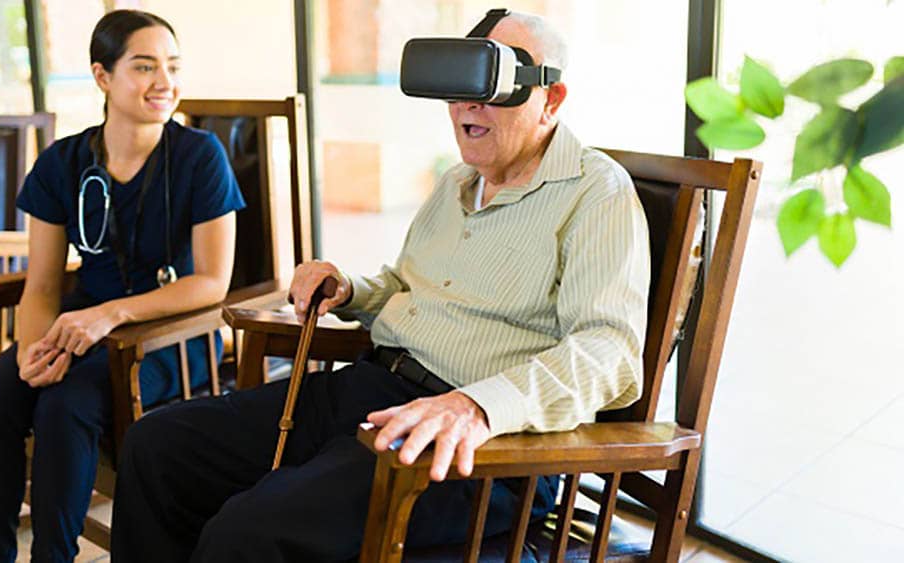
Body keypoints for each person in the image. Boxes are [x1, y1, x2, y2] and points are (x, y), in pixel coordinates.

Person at [111, 11, 649, 563]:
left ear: (551, 98)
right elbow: (406, 284)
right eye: (459, 88)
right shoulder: (457, 182)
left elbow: (608, 352)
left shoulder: (596, 192)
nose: (468, 105)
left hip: (475, 448)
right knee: (157, 447)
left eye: (491, 87)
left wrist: (476, 407)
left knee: (248, 531)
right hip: (372, 392)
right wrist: (349, 289)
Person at [0, 9, 245, 562]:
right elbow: (41, 286)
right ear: (102, 76)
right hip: (77, 327)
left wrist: (108, 315)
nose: (164, 82)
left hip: (169, 336)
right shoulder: (62, 163)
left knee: (65, 406)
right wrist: (32, 354)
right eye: (144, 67)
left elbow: (212, 282)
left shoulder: (200, 157)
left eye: (172, 66)